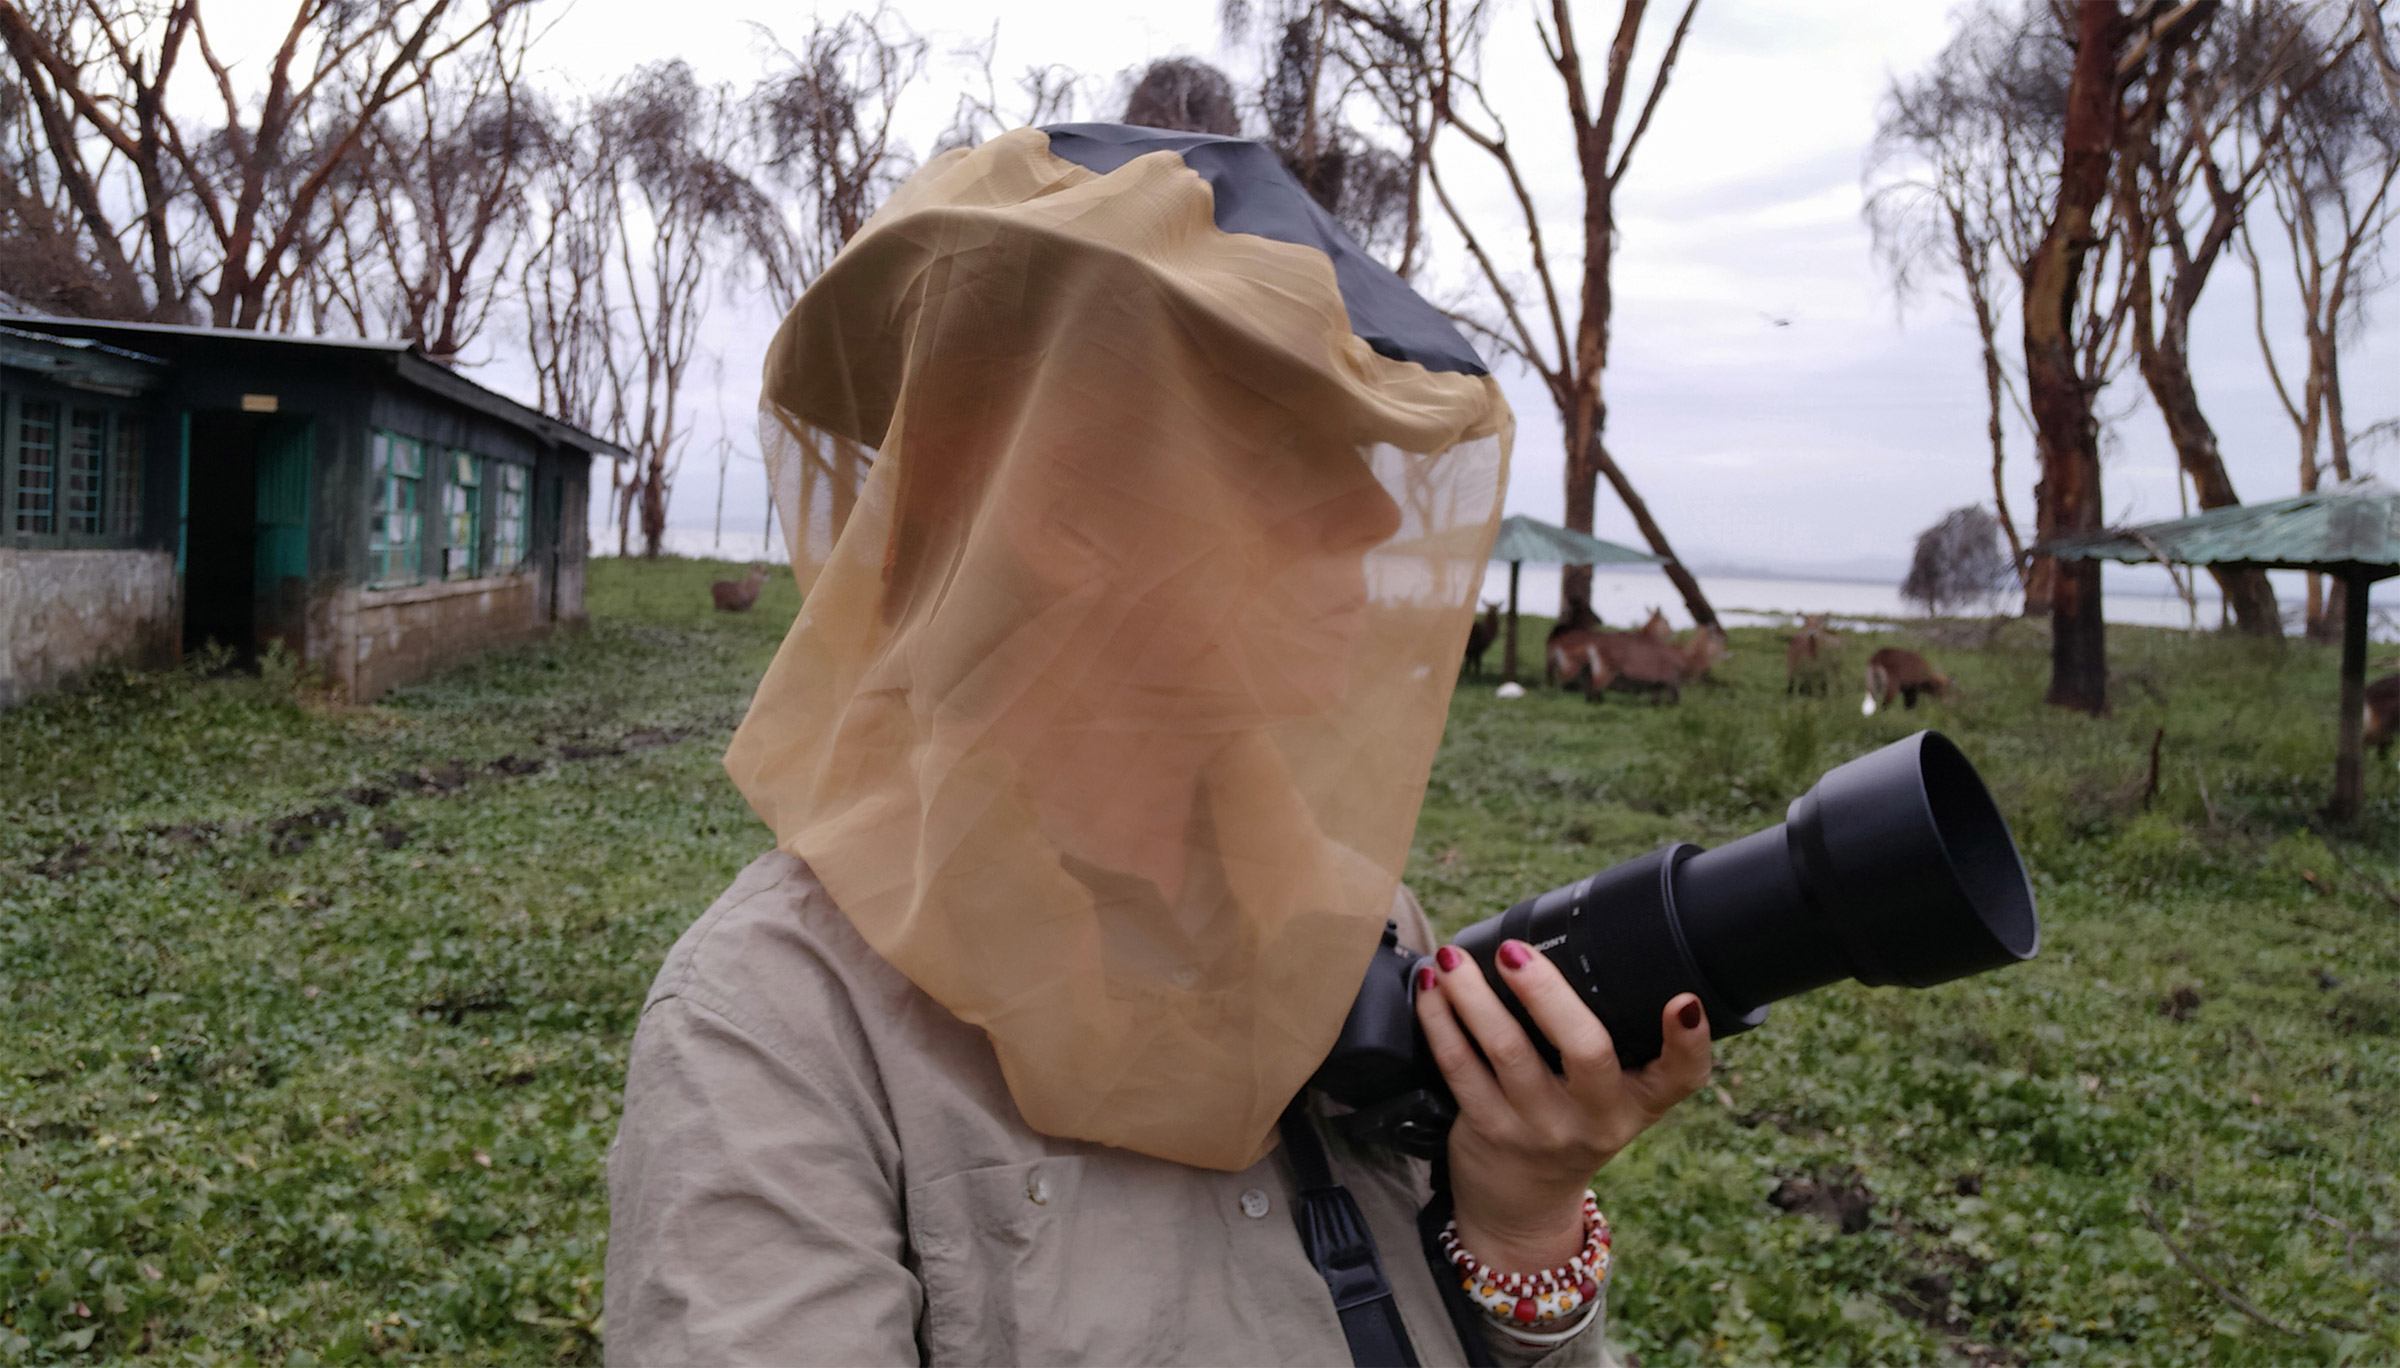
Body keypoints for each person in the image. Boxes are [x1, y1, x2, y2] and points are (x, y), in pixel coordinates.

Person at [604, 124, 1712, 1367]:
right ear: (1059, 508)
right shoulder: (783, 1016)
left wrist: (1522, 1224)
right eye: (1291, 444)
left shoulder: (1356, 922)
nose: (1370, 510)